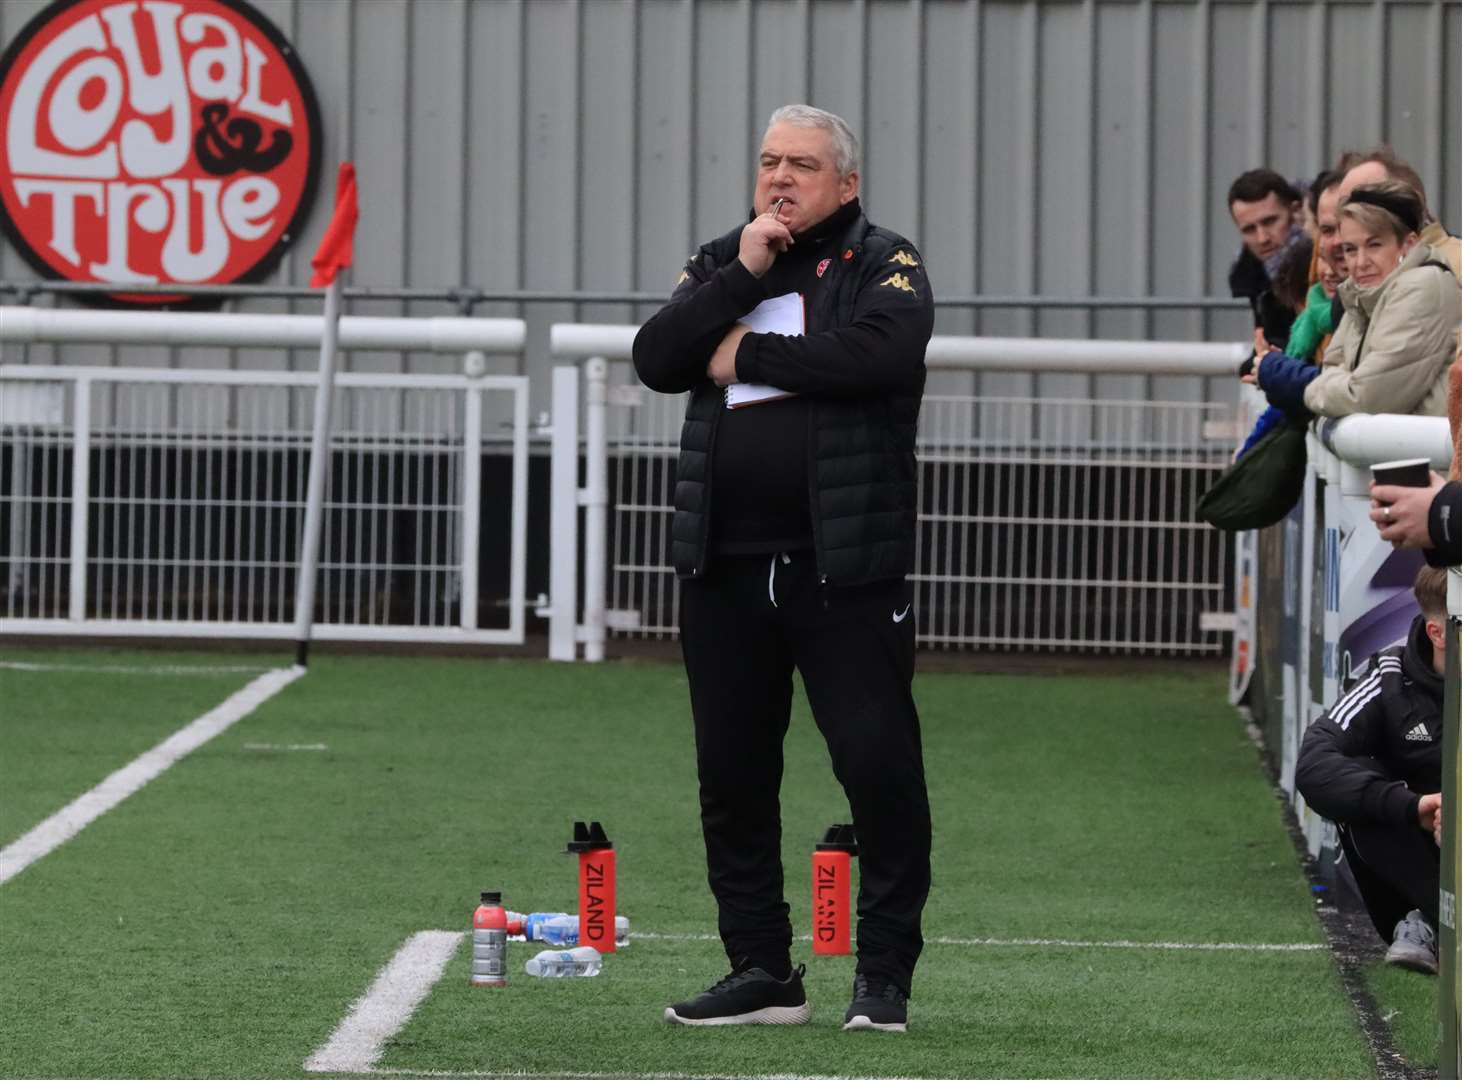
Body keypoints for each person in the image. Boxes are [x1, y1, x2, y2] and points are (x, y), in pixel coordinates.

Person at [632, 104, 934, 1034]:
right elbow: (657, 357)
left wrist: (745, 355)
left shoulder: (885, 258)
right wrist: (742, 277)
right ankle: (762, 969)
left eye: (801, 165)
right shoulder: (728, 257)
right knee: (731, 776)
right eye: (768, 162)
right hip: (723, 565)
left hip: (842, 569)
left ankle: (881, 978)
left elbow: (879, 353)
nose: (780, 180)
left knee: (877, 771)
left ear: (844, 183)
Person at [1295, 566, 1448, 974]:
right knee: (1358, 778)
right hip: (1424, 864)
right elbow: (1313, 764)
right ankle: (1429, 922)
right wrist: (1416, 807)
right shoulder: (1389, 678)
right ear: (1439, 634)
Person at [1251, 181, 1462, 419]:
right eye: (1350, 249)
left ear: (1409, 244)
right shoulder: (1359, 294)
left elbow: (1366, 396)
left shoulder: (1423, 286)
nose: (1360, 262)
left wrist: (1311, 385)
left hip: (1431, 454)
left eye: (1374, 245)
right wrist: (1336, 385)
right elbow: (1334, 371)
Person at [1227, 168, 1305, 349]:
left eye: (1270, 222)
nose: (1262, 238)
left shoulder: (1322, 268)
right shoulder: (1254, 276)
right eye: (1249, 230)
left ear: (1296, 212)